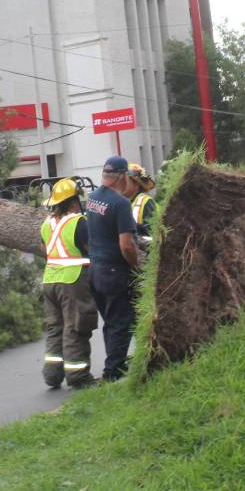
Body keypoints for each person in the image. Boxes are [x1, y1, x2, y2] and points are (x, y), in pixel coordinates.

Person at [84, 156, 140, 381]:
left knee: (110, 322)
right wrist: (136, 266)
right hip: (114, 272)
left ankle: (112, 367)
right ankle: (112, 374)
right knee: (121, 322)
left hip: (95, 270)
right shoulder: (121, 204)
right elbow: (126, 245)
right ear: (123, 176)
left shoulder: (92, 198)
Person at [38, 179, 97, 389]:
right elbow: (92, 249)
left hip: (49, 280)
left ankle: (52, 375)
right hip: (72, 280)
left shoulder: (47, 223)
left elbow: (46, 252)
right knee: (75, 326)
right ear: (73, 202)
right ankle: (78, 376)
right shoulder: (79, 222)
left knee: (55, 327)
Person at [121, 163, 158, 239]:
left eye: (124, 181)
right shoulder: (120, 201)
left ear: (136, 184)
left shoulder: (146, 202)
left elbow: (152, 236)